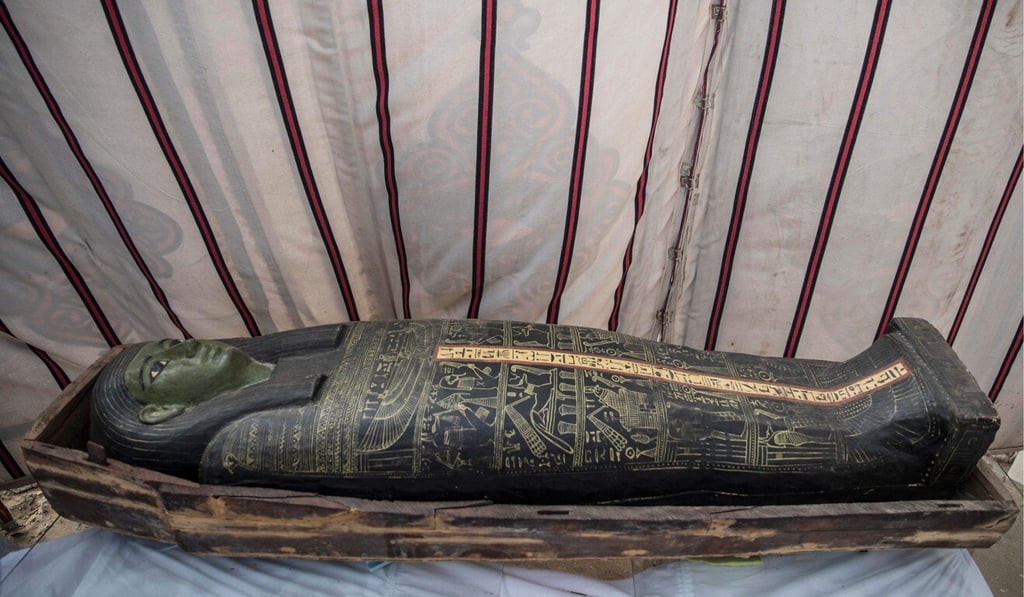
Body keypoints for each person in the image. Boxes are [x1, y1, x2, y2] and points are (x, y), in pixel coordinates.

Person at [90, 318, 998, 505]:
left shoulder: (293, 349)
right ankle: (875, 435)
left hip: (474, 363)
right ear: (165, 416)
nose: (181, 353)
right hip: (466, 417)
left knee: (657, 366)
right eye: (163, 375)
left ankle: (848, 386)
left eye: (162, 348)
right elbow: (360, 448)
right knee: (662, 416)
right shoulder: (246, 436)